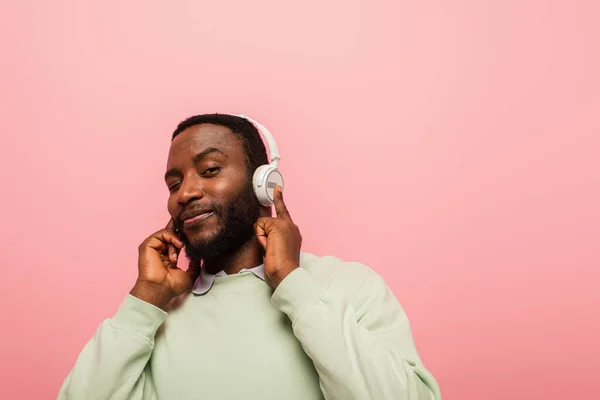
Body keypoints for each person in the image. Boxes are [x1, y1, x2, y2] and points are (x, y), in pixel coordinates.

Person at [57, 113, 441, 400]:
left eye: (209, 169)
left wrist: (293, 282)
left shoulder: (347, 285)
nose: (184, 193)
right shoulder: (156, 315)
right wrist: (144, 302)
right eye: (174, 184)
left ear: (264, 183)